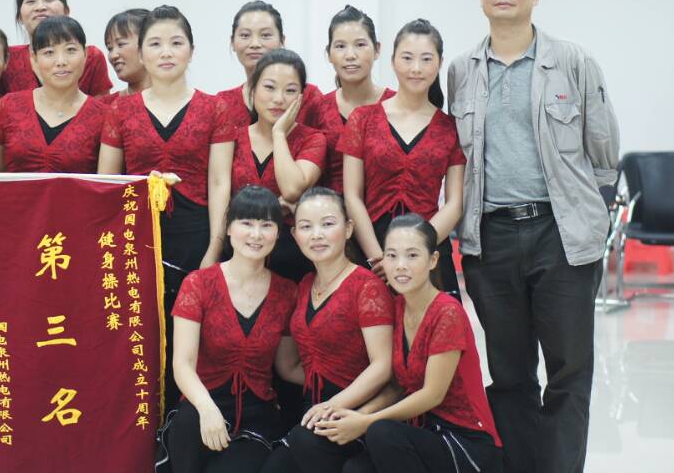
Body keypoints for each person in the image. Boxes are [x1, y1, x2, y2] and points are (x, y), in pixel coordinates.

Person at [447, 0, 620, 473]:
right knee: (510, 375)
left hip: (560, 236)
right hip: (491, 239)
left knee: (569, 371)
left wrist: (589, 219)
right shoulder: (461, 71)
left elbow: (604, 152)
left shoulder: (573, 61)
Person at [98, 5, 235, 408]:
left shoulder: (215, 108)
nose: (166, 52)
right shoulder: (120, 110)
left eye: (176, 43)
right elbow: (107, 184)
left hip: (197, 236)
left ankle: (187, 428)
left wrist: (214, 249)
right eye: (155, 44)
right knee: (140, 341)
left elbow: (219, 182)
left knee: (192, 341)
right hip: (137, 240)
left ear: (192, 50)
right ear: (141, 54)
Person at [312, 214, 502, 473]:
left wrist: (366, 422)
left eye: (412, 255)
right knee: (355, 468)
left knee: (382, 433)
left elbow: (432, 394)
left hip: (466, 441)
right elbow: (398, 386)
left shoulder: (447, 312)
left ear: (433, 260)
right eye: (391, 256)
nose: (400, 265)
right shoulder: (398, 306)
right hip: (424, 432)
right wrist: (353, 415)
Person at [162, 186, 302, 473]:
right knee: (188, 429)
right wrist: (207, 408)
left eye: (267, 225)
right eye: (246, 223)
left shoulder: (287, 292)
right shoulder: (198, 283)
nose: (256, 234)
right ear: (228, 228)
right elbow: (183, 364)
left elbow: (287, 367)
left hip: (256, 418)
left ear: (278, 233)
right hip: (200, 407)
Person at [261, 188, 393, 473]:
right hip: (315, 415)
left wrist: (333, 403)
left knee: (304, 441)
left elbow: (383, 366)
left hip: (357, 413)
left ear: (348, 229)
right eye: (306, 227)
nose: (317, 235)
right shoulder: (305, 285)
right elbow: (288, 367)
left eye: (328, 224)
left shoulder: (367, 287)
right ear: (294, 235)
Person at [340, 19, 464, 299]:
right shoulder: (363, 119)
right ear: (393, 61)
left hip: (430, 250)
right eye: (407, 58)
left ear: (440, 63)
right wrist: (379, 258)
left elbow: (455, 204)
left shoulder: (450, 127)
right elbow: (352, 196)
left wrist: (417, 250)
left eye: (426, 59)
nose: (416, 68)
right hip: (371, 248)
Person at [230, 49, 325, 283]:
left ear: (301, 97)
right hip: (238, 251)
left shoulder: (313, 139)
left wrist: (279, 133)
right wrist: (274, 206)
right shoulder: (232, 138)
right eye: (269, 87)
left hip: (291, 255)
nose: (279, 99)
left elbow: (292, 189)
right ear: (253, 90)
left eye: (290, 90)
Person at [0, 16, 109, 173]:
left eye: (71, 50)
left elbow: (107, 181)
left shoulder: (104, 116)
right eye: (49, 52)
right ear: (34, 60)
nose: (61, 61)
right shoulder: (9, 105)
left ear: (85, 55)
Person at [310, 5, 394, 196]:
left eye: (360, 45)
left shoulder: (396, 104)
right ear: (329, 54)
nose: (350, 55)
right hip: (329, 211)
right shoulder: (316, 109)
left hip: (384, 211)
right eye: (340, 46)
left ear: (377, 49)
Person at [0, 0, 112, 96]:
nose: (40, 7)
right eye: (31, 1)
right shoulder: (7, 59)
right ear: (19, 16)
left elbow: (102, 105)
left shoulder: (92, 57)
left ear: (66, 11)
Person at [216, 1, 321, 127]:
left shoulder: (309, 96)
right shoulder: (223, 102)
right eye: (245, 35)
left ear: (282, 40)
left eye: (265, 35)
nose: (255, 44)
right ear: (232, 42)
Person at [103, 8, 151, 101]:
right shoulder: (105, 106)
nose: (113, 56)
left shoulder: (177, 101)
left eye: (121, 44)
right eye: (110, 48)